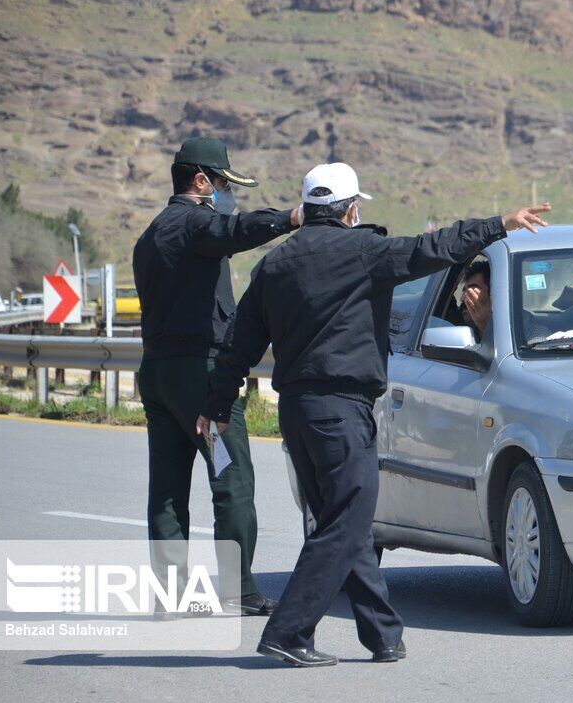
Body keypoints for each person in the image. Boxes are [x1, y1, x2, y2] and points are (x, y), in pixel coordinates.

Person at [200, 162, 550, 667]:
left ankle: (383, 634)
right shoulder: (365, 251)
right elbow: (437, 248)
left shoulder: (274, 264)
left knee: (351, 523)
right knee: (347, 520)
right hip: (342, 411)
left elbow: (237, 345)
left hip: (297, 412)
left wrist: (214, 406)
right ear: (350, 210)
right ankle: (289, 631)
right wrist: (498, 224)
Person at [132, 136, 301, 618]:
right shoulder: (196, 223)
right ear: (201, 181)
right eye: (223, 184)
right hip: (201, 378)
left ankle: (171, 595)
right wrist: (289, 218)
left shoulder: (150, 235)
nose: (227, 194)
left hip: (158, 374)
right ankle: (240, 588)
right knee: (232, 480)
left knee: (166, 487)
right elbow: (236, 230)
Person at [459, 261, 492, 342]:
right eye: (464, 291)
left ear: (493, 293)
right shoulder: (462, 331)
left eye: (471, 291)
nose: (462, 298)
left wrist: (486, 327)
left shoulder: (521, 324)